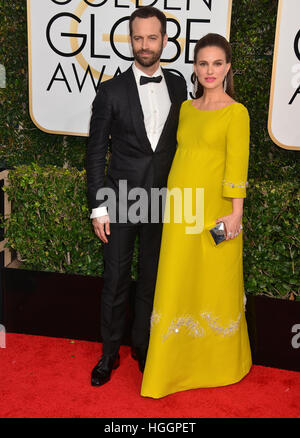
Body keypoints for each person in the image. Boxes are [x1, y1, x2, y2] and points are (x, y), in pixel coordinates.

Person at [141, 33, 252, 399]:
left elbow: (237, 166)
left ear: (228, 68)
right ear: (194, 67)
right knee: (177, 279)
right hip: (180, 209)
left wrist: (235, 214)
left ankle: (218, 364)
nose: (210, 70)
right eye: (203, 63)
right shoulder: (186, 109)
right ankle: (172, 365)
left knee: (215, 284)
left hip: (215, 212)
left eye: (217, 63)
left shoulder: (237, 113)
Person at [86, 6, 187, 387]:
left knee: (151, 281)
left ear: (164, 39)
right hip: (121, 199)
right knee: (115, 279)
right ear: (131, 40)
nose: (145, 45)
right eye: (138, 37)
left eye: (152, 37)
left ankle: (144, 349)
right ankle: (108, 354)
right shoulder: (110, 91)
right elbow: (95, 152)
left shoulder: (179, 86)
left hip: (163, 202)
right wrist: (98, 206)